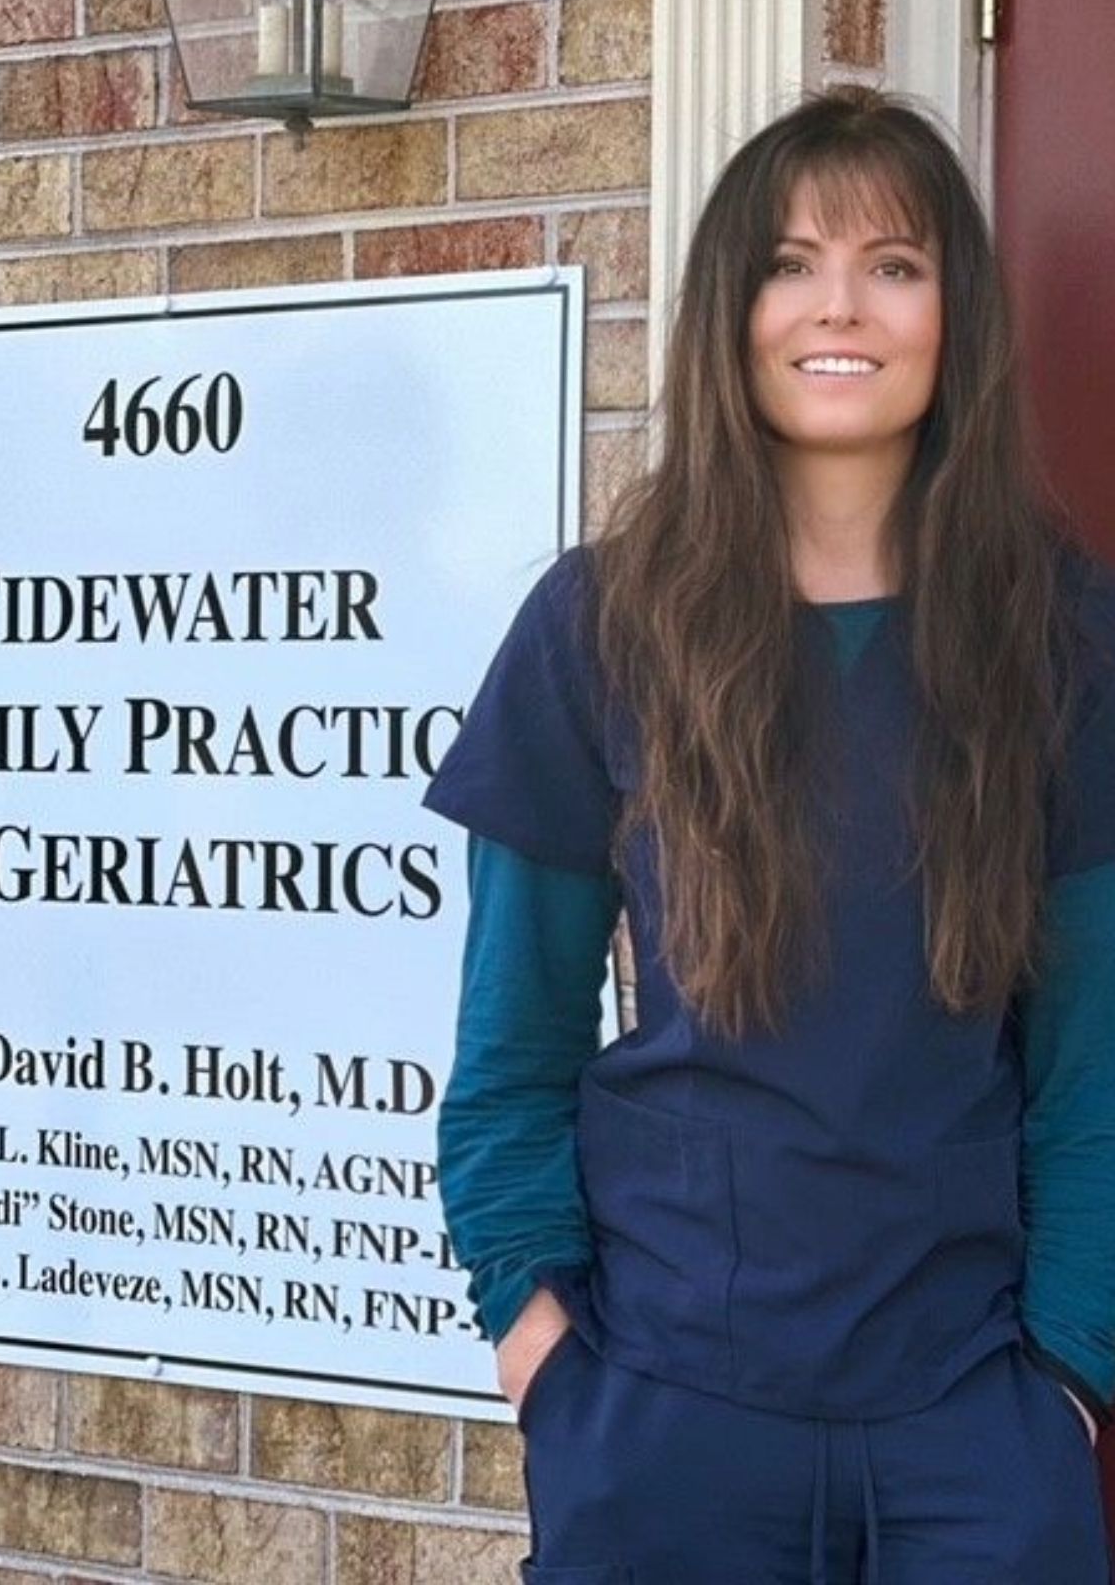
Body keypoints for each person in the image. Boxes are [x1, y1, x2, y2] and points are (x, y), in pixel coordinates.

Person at [422, 86, 1115, 1583]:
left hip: (968, 1432)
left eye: (896, 263)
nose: (838, 306)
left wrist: (1064, 1385)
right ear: (733, 314)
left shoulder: (1063, 643)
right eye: (790, 263)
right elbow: (509, 1051)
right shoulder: (604, 628)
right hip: (665, 1422)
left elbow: (1091, 1073)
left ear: (957, 317)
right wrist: (539, 1337)